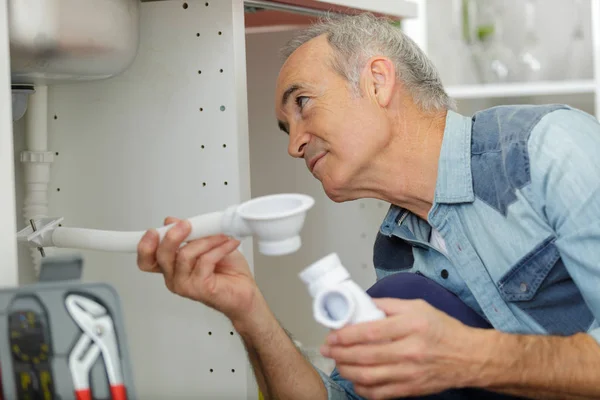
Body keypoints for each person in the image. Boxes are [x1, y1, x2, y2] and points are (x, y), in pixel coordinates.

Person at [136, 12, 600, 400]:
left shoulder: (547, 149)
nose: (295, 144)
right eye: (286, 128)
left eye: (303, 103)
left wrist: (467, 356)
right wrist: (248, 311)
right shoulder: (397, 255)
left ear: (378, 81)